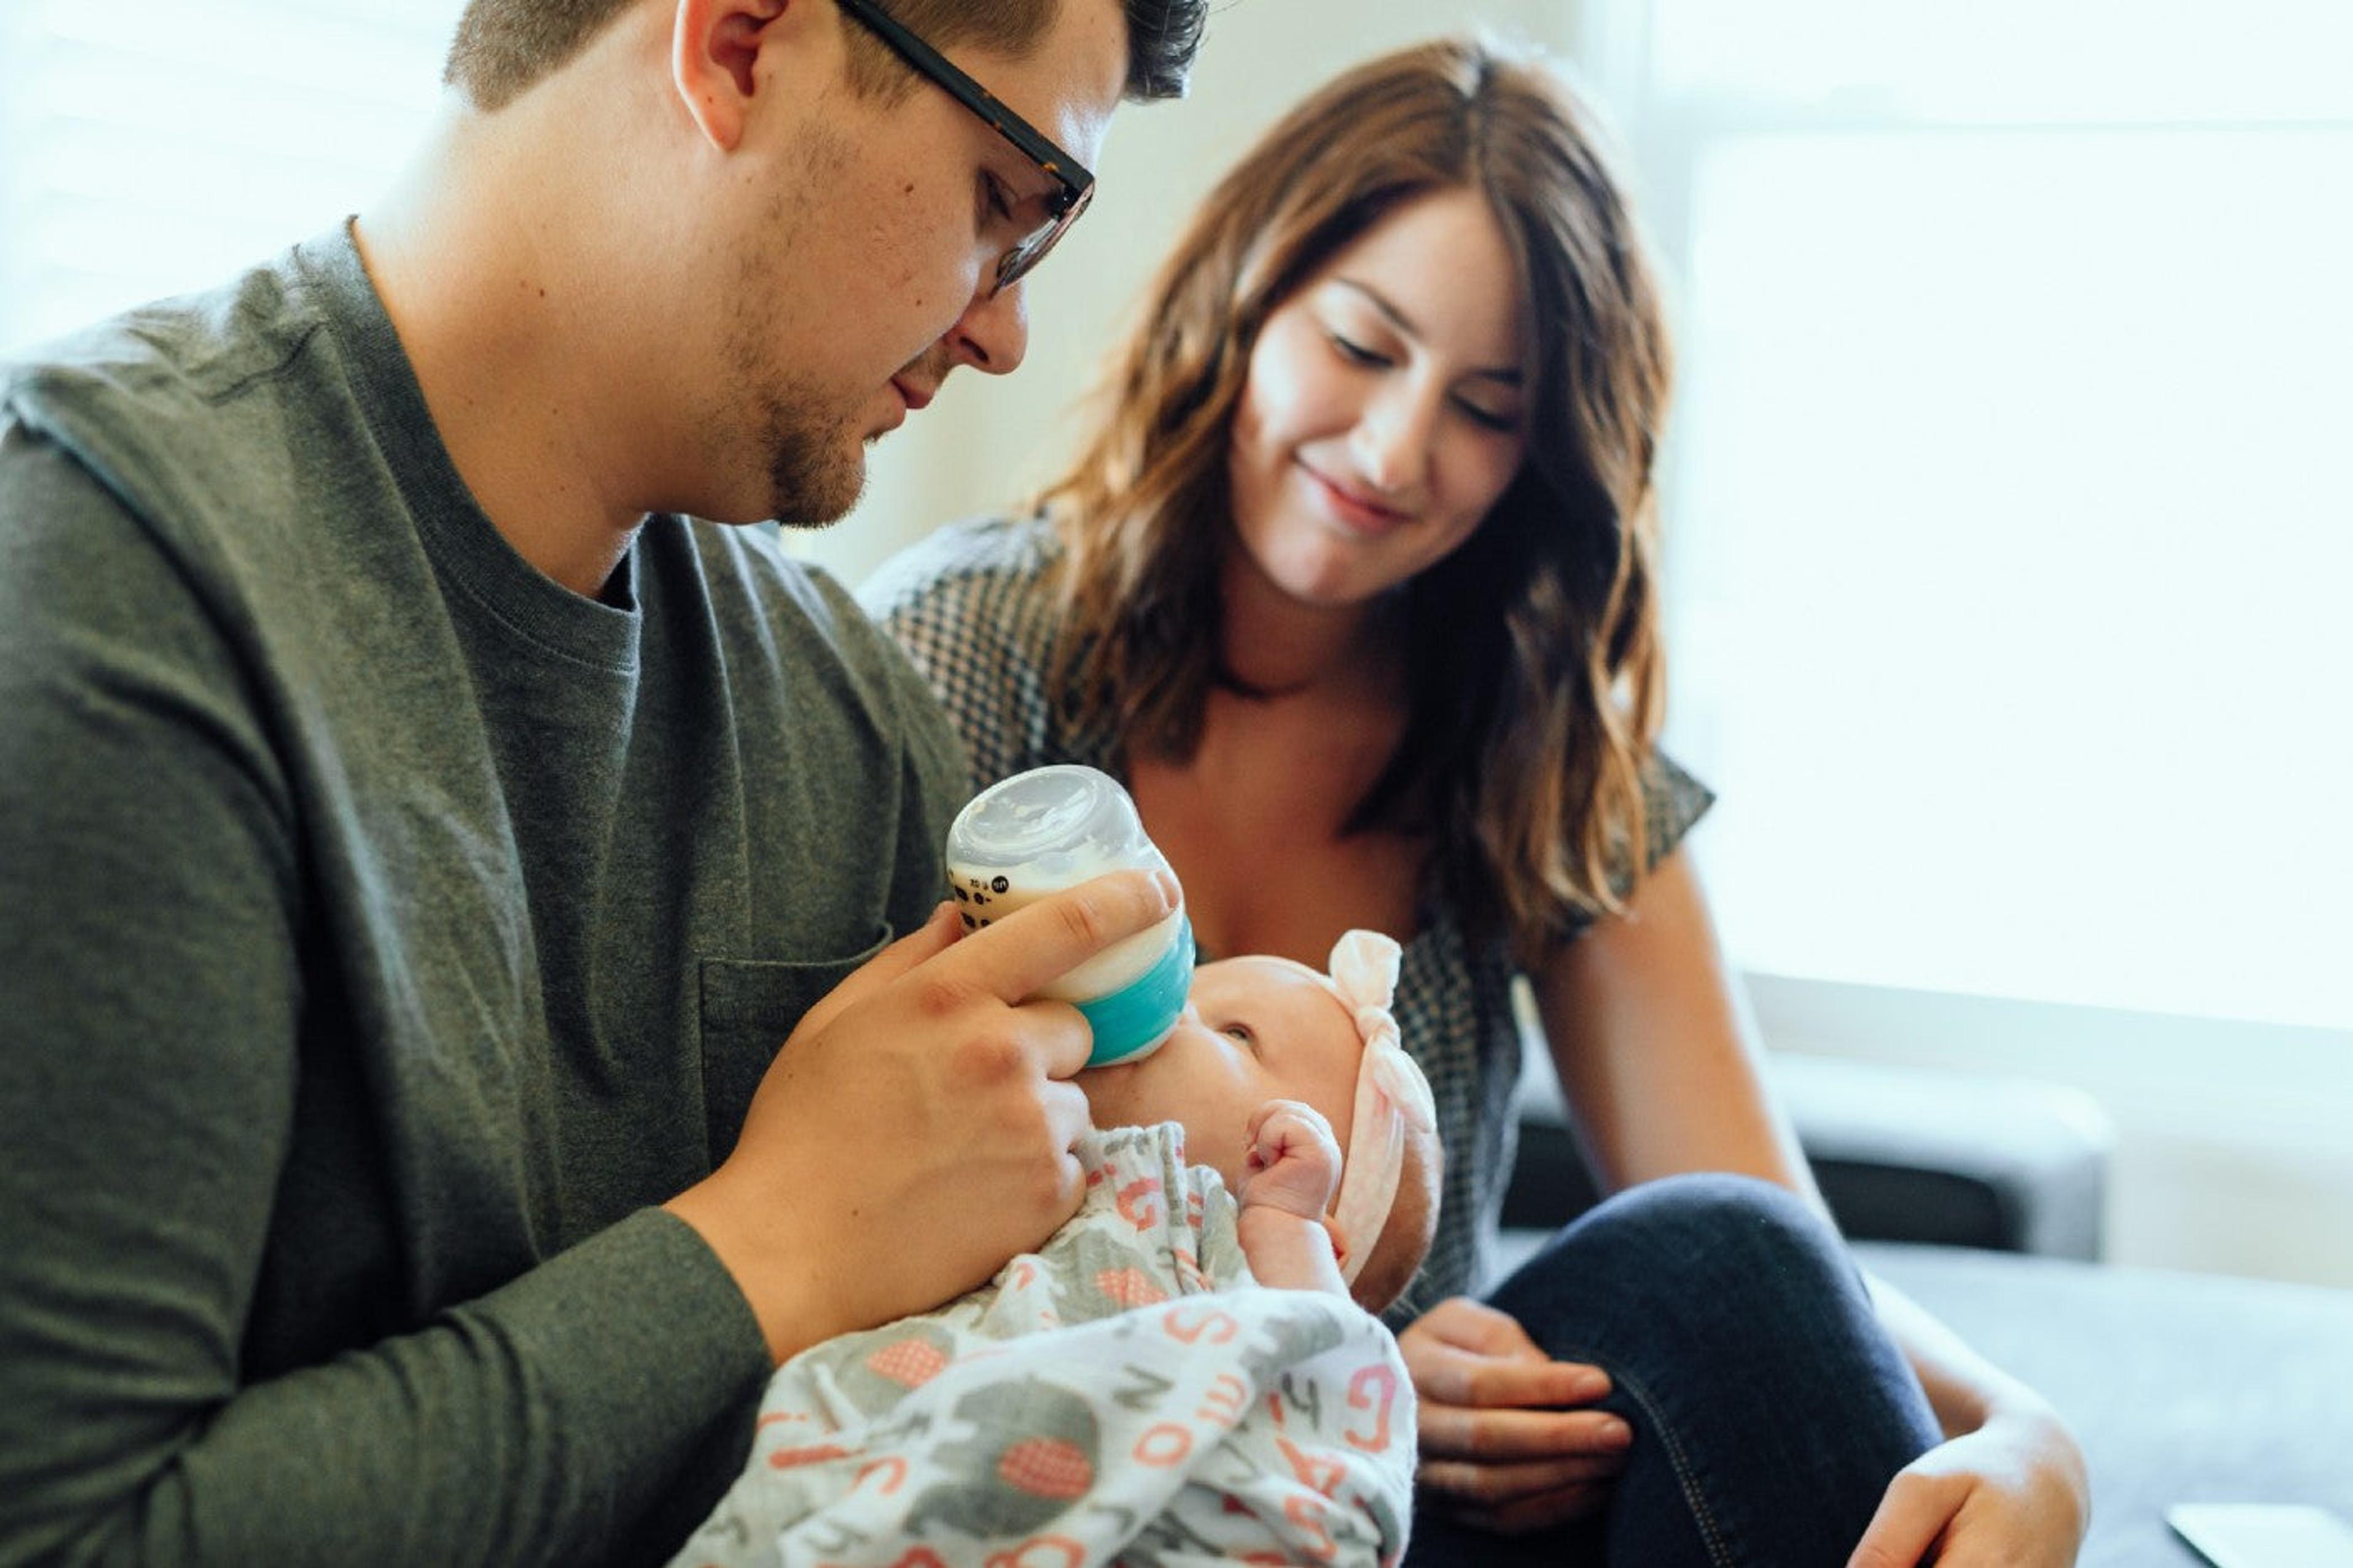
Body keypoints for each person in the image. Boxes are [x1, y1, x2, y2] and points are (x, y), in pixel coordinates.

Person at [0, 0, 1211, 1562]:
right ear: (739, 44)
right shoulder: (113, 582)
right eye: (1002, 201)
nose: (1004, 329)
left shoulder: (850, 722)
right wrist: (773, 1234)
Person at [862, 34, 2093, 1567]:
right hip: (1045, 1477)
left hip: (1392, 1517)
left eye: (1484, 406)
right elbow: (857, 1214)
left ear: (1541, 453)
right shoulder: (959, 652)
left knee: (1721, 1253)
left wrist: (2021, 1424)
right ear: (1247, 296)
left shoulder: (1538, 744)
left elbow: (1779, 1251)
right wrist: (1337, 1350)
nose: (1393, 451)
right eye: (1364, 348)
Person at [672, 930, 1442, 1566]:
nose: (1176, 1007)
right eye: (1195, 980)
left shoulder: (1239, 1244)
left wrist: (1283, 1225)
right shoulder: (1000, 1157)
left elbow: (1329, 1370)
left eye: (1238, 1033)